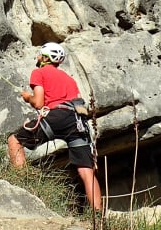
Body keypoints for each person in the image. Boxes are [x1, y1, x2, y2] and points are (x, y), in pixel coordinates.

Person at [7, 42, 102, 211]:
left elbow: (38, 102)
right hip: (78, 120)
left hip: (57, 116)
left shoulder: (39, 72)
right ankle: (99, 216)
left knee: (14, 140)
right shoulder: (68, 78)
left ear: (45, 58)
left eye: (39, 54)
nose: (37, 57)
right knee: (87, 171)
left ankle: (22, 189)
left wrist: (27, 97)